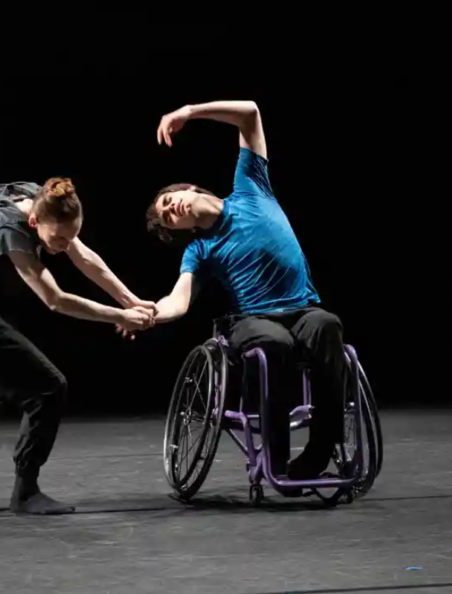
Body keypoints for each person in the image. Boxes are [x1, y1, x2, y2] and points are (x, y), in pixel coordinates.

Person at [133, 100, 348, 481]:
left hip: (303, 309)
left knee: (327, 324)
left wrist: (188, 112)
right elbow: (178, 302)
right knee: (274, 342)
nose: (172, 210)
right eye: (168, 217)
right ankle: (277, 458)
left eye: (169, 201)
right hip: (253, 320)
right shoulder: (199, 249)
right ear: (184, 230)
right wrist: (147, 314)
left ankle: (319, 451)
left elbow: (250, 113)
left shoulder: (250, 187)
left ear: (188, 188)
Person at [0, 177, 155, 515]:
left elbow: (82, 255)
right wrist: (121, 316)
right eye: (57, 239)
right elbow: (55, 300)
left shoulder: (38, 197)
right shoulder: (10, 231)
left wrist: (130, 300)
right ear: (34, 223)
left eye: (70, 235)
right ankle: (25, 492)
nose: (63, 245)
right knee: (48, 387)